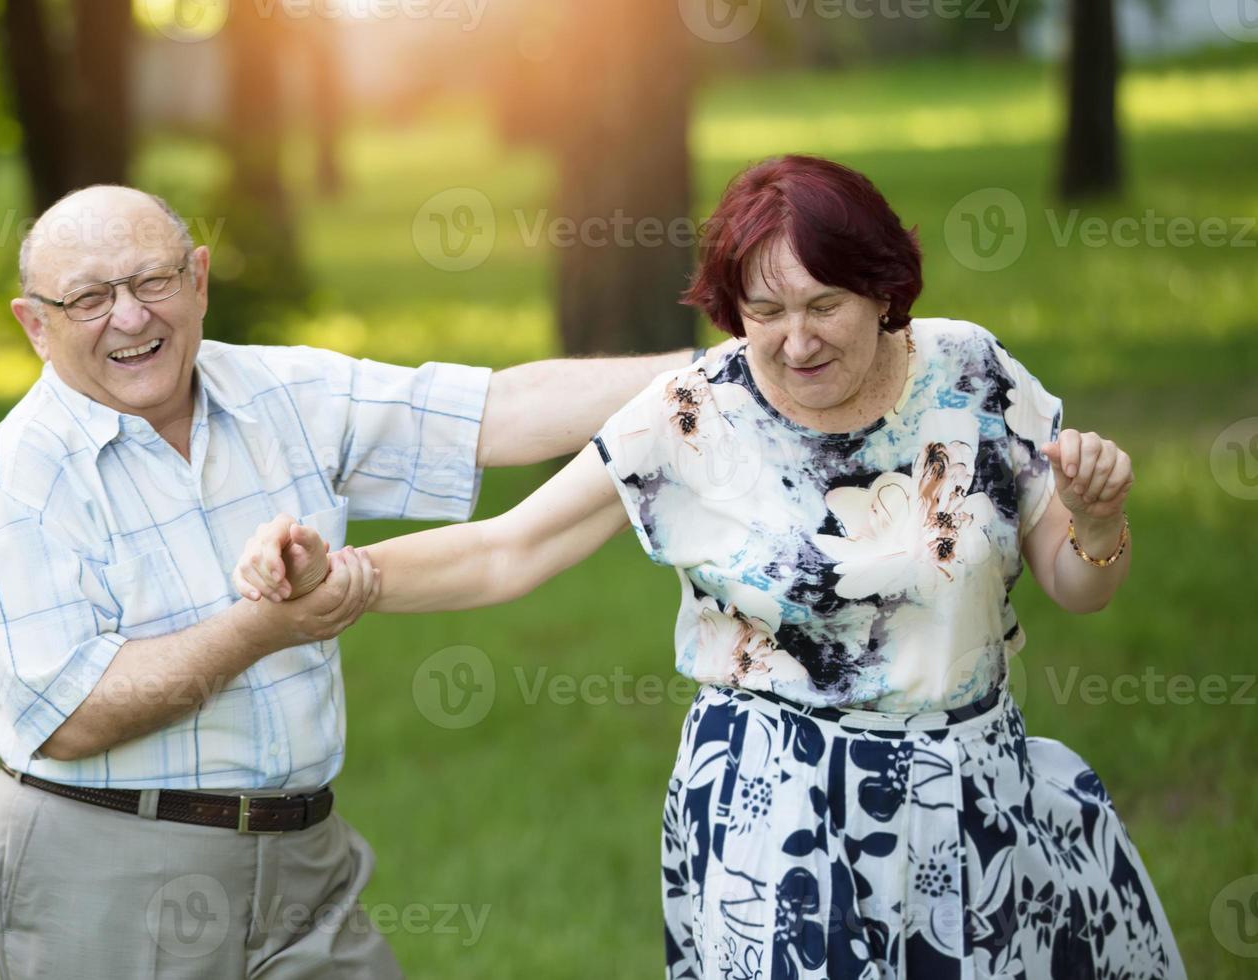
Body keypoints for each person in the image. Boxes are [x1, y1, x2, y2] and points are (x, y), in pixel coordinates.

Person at [239, 156, 1187, 978]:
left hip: (978, 800)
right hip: (786, 822)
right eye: (764, 312)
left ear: (885, 289)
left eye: (825, 306)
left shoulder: (971, 372)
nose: (796, 341)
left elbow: (1080, 584)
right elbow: (507, 547)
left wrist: (1097, 521)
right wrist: (343, 578)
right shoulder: (694, 412)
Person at [0, 184, 726, 979]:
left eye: (153, 281)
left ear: (200, 280)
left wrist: (720, 371)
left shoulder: (280, 394)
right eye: (88, 299)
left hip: (303, 861)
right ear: (35, 325)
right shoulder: (22, 484)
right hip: (110, 863)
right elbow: (73, 715)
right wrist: (265, 627)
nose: (132, 317)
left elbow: (497, 410)